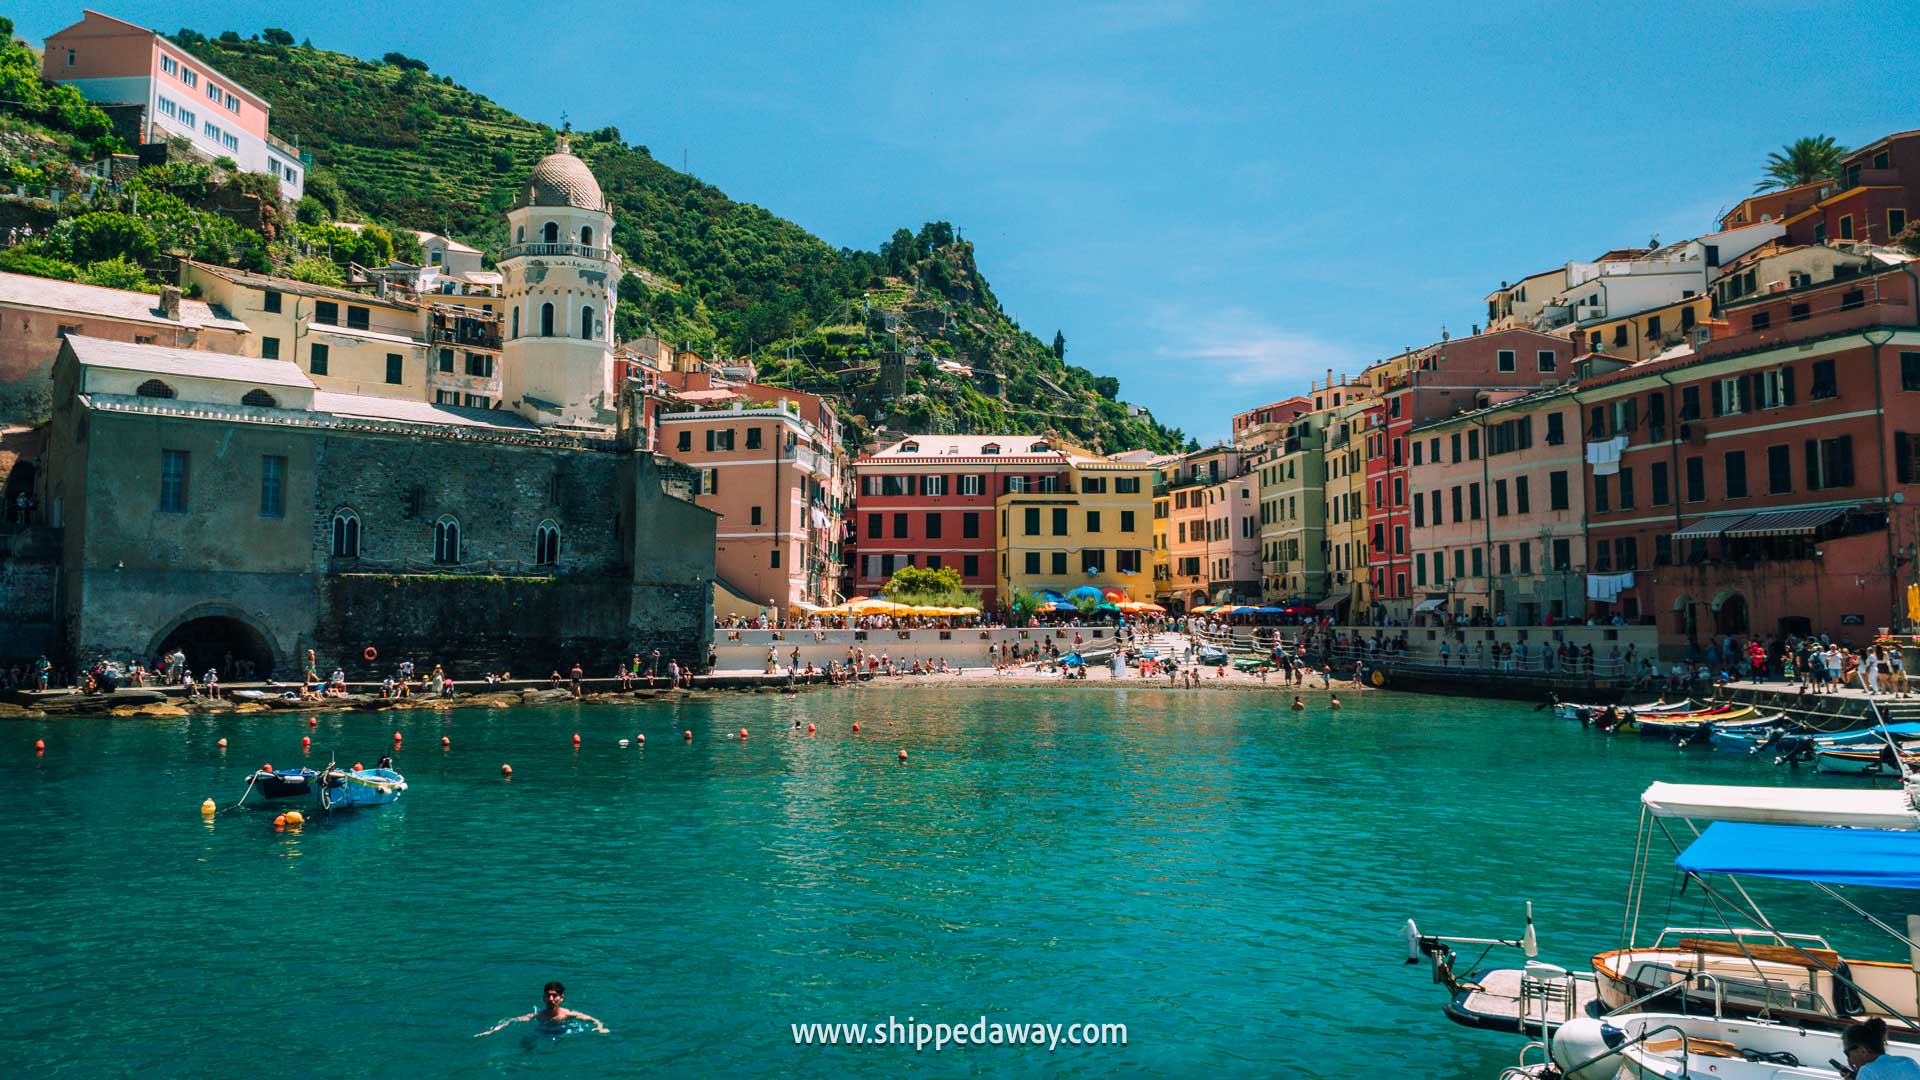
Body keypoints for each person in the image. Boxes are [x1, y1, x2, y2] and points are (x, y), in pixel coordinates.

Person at [475, 982, 607, 1037]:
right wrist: (492, 1030)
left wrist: (600, 1027)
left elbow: (592, 1019)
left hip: (562, 1032)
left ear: (561, 998)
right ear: (543, 997)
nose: (550, 999)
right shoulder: (538, 1016)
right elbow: (511, 1021)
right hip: (542, 1031)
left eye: (554, 995)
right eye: (548, 995)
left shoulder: (567, 1014)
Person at [1842, 1018, 1920, 1078]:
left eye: (1847, 1053)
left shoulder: (1867, 1071)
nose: (1849, 1059)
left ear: (1862, 1051)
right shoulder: (1908, 1062)